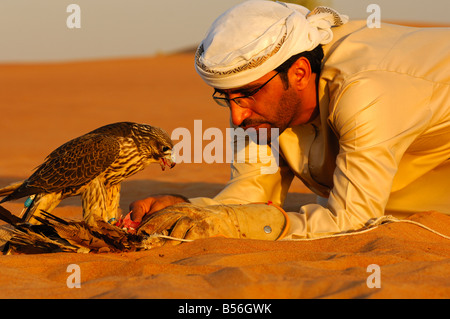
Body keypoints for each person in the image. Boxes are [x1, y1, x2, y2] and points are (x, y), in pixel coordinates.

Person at [121, 0, 450, 239]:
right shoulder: (256, 110)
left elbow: (351, 221)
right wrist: (189, 210)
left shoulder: (366, 92)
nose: (237, 116)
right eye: (227, 97)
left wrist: (246, 224)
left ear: (300, 73)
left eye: (248, 93)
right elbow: (251, 192)